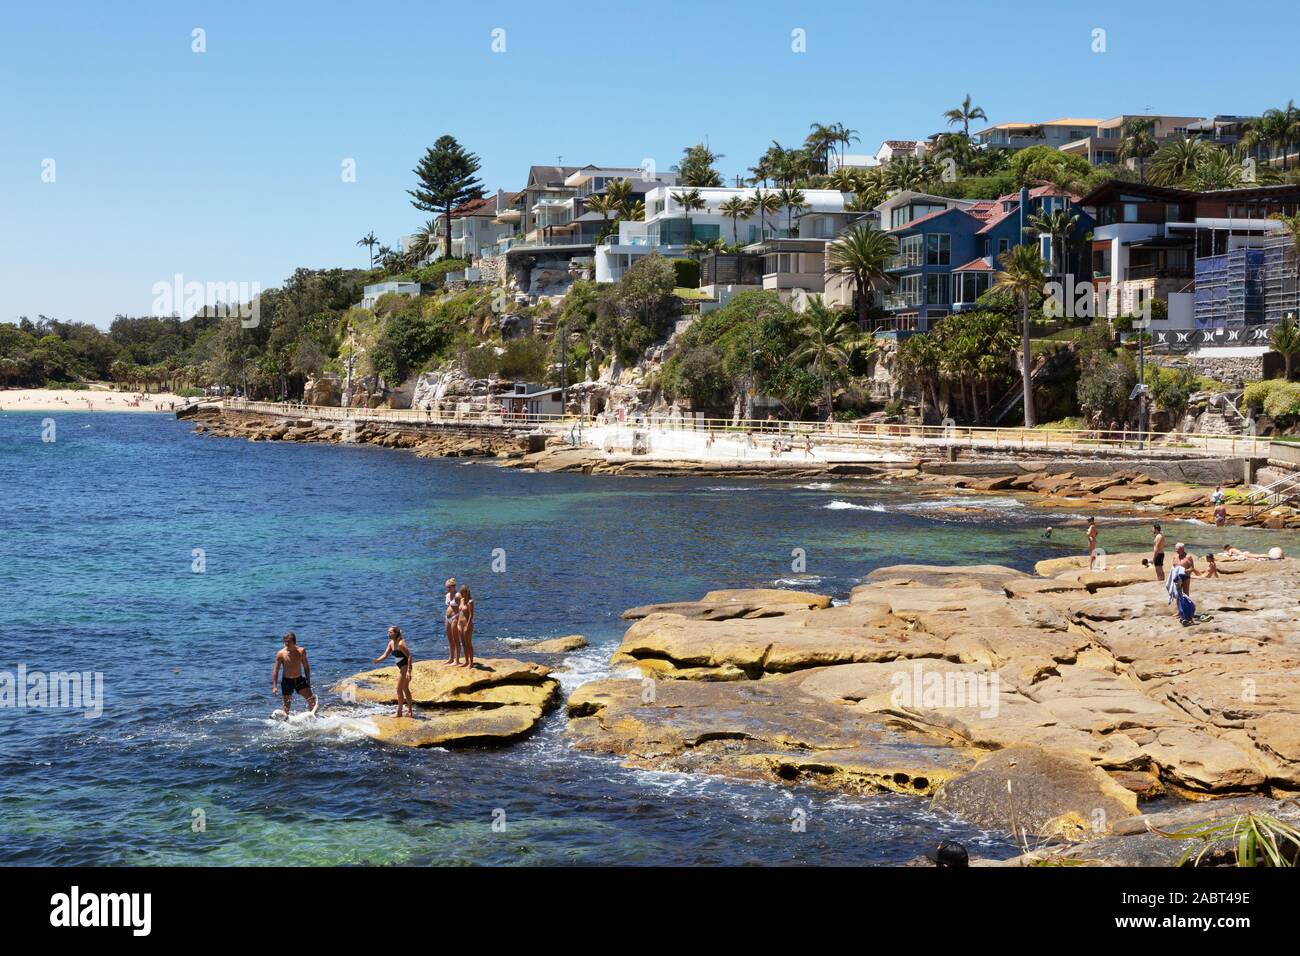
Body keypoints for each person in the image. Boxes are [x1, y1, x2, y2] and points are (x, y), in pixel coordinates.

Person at [272, 631, 317, 716]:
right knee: (286, 707)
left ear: (294, 642)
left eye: (288, 641)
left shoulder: (301, 651)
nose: (286, 643)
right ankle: (285, 723)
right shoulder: (281, 654)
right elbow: (276, 670)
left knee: (312, 700)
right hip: (287, 682)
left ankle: (312, 718)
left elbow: (306, 667)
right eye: (285, 641)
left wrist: (308, 680)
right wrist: (274, 686)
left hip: (299, 679)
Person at [373, 626, 414, 718]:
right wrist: (377, 660)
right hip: (401, 668)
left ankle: (399, 712)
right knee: (405, 689)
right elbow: (385, 655)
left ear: (396, 633)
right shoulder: (391, 643)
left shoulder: (400, 644)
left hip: (405, 667)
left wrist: (409, 671)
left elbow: (410, 656)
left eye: (391, 632)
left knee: (399, 689)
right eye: (388, 632)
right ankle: (410, 711)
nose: (388, 634)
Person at [456, 586, 475, 669]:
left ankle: (471, 662)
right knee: (463, 643)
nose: (462, 593)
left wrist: (468, 625)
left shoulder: (470, 602)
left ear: (467, 592)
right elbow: (459, 612)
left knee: (468, 643)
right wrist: (457, 624)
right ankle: (466, 661)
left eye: (463, 592)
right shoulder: (461, 600)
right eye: (461, 592)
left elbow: (471, 615)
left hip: (467, 624)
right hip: (460, 624)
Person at [443, 578, 461, 665]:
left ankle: (457, 660)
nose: (447, 589)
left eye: (449, 587)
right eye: (447, 587)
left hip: (455, 616)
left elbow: (462, 606)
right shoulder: (447, 595)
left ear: (454, 586)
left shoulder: (458, 595)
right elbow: (449, 606)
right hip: (447, 617)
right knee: (450, 639)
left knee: (456, 639)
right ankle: (450, 658)